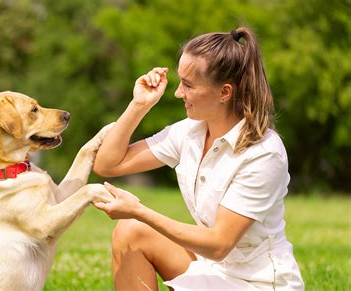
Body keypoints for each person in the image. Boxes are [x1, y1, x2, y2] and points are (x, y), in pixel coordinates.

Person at [92, 27, 304, 290]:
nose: (178, 93)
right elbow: (108, 164)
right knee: (130, 231)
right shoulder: (189, 131)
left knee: (136, 221)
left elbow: (218, 245)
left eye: (188, 85)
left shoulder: (264, 153)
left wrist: (140, 211)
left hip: (255, 283)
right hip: (212, 267)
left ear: (224, 93)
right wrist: (140, 105)